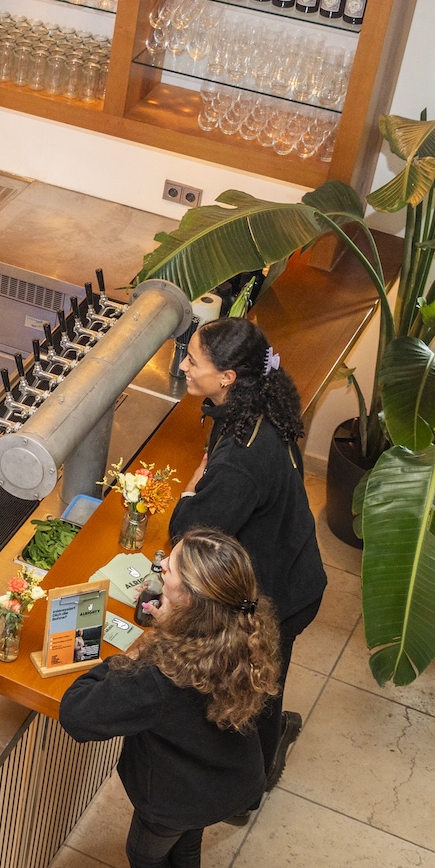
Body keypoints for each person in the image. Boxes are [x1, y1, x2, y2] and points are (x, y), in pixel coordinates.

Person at [59, 528, 281, 868]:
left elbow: (77, 714)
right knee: (186, 844)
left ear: (191, 599)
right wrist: (169, 628)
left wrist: (137, 650)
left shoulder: (159, 673)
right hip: (228, 780)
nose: (161, 567)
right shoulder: (239, 632)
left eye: (171, 569)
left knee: (146, 861)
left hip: (177, 793)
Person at [167, 315, 326, 804]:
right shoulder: (256, 406)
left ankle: (249, 786)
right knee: (267, 684)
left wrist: (191, 491)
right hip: (293, 567)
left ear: (227, 377)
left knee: (253, 692)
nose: (183, 365)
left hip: (280, 593)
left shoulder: (242, 458)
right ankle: (261, 756)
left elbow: (190, 534)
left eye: (193, 360)